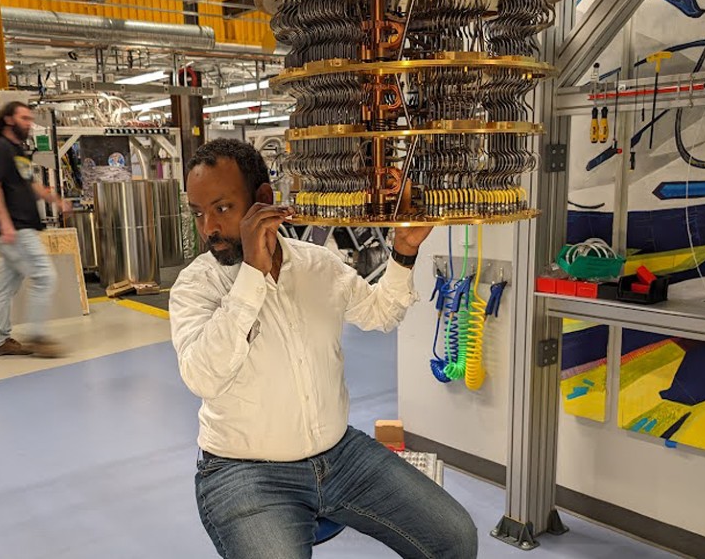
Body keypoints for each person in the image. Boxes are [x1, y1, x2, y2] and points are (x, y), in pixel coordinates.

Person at [170, 138, 478, 559]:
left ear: (263, 200)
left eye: (221, 209)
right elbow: (202, 376)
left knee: (455, 538)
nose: (208, 229)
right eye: (198, 213)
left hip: (340, 456)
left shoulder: (318, 264)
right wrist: (252, 278)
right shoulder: (196, 285)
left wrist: (404, 252)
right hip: (243, 470)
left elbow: (381, 313)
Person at [0, 101, 69, 357]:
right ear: (9, 119)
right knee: (45, 277)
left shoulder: (17, 149)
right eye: (24, 118)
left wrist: (57, 201)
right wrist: (6, 223)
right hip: (16, 229)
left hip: (20, 228)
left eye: (30, 118)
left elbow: (31, 184)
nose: (29, 123)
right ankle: (37, 337)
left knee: (6, 288)